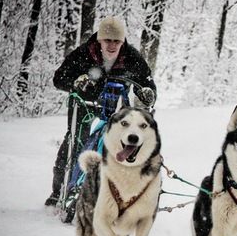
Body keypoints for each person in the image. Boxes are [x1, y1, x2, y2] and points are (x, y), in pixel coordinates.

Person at [45, 16, 157, 207]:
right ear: (99, 40)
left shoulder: (132, 58)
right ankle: (59, 191)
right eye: (108, 41)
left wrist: (148, 94)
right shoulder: (83, 54)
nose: (112, 46)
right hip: (83, 104)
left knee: (123, 147)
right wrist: (76, 82)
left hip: (115, 108)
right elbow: (58, 78)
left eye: (117, 41)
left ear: (122, 42)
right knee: (76, 142)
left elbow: (147, 85)